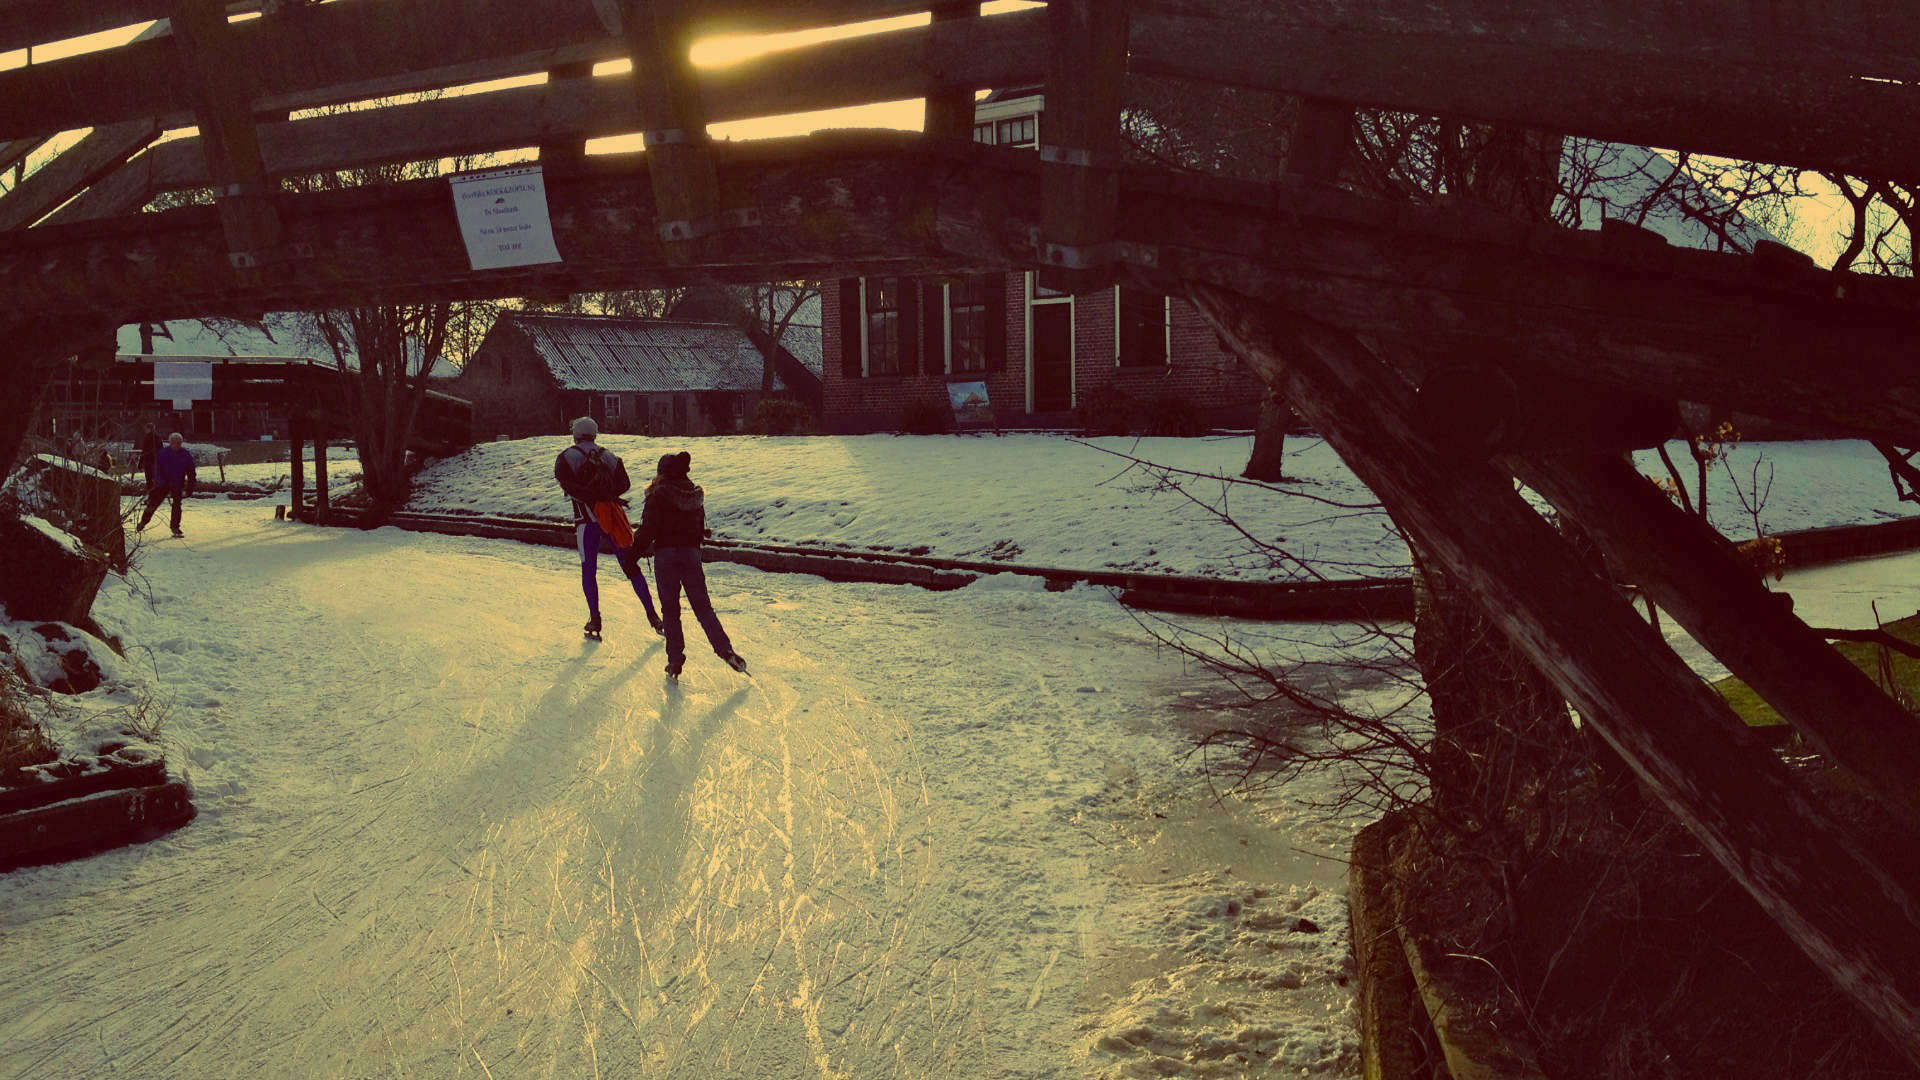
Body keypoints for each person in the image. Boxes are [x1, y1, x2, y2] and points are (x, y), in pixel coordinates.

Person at [639, 451, 747, 679]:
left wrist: (632, 554)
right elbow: (698, 528)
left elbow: (647, 530)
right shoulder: (694, 496)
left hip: (666, 555)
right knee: (703, 608)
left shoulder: (657, 495)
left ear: (662, 473)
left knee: (670, 611)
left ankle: (675, 661)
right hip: (691, 555)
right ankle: (725, 650)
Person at [553, 417, 662, 640]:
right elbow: (625, 484)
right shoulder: (609, 456)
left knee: (589, 569)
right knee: (630, 566)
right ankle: (652, 615)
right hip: (612, 517)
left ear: (575, 434)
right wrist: (606, 496)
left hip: (586, 520)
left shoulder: (566, 457)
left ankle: (595, 618)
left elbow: (567, 485)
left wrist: (591, 498)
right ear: (595, 434)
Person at [137, 433, 195, 538]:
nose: (177, 445)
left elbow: (191, 471)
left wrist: (190, 487)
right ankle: (143, 522)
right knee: (153, 503)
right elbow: (156, 470)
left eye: (179, 443)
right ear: (170, 443)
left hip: (177, 483)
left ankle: (175, 527)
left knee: (177, 505)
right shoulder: (163, 453)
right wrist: (159, 481)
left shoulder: (185, 454)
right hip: (162, 483)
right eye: (174, 443)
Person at [137, 423, 161, 489]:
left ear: (149, 429)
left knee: (149, 479)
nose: (145, 430)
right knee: (155, 478)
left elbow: (144, 451)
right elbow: (161, 449)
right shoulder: (157, 437)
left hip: (149, 461)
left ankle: (151, 492)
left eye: (146, 429)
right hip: (155, 460)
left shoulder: (147, 438)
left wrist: (140, 463)